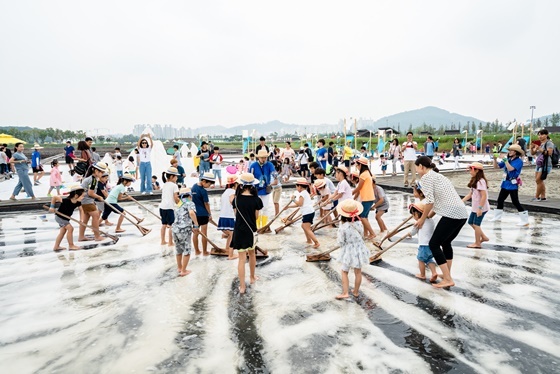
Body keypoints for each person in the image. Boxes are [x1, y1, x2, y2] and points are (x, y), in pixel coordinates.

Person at [414, 156, 468, 289]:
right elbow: (439, 200)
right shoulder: (438, 176)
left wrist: (422, 218)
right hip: (461, 213)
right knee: (445, 242)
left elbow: (430, 201)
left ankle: (448, 279)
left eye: (416, 168)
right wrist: (429, 216)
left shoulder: (426, 178)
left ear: (421, 166)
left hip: (452, 214)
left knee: (434, 244)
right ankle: (446, 273)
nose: (417, 170)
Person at [231, 173, 264, 294]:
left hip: (239, 231)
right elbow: (256, 217)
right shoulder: (257, 200)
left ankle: (242, 287)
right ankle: (252, 277)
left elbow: (236, 215)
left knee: (241, 259)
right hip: (251, 230)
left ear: (241, 185)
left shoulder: (236, 199)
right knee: (252, 254)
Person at [335, 199, 370, 299]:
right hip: (359, 249)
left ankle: (345, 293)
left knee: (344, 271)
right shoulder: (359, 223)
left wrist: (343, 244)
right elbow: (362, 234)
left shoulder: (343, 227)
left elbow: (341, 240)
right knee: (358, 272)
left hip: (349, 250)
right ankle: (355, 291)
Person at [490, 144, 528, 226]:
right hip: (505, 183)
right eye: (509, 150)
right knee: (500, 200)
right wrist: (495, 159)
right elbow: (496, 167)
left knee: (515, 202)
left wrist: (505, 160)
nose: (509, 152)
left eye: (511, 150)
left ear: (516, 152)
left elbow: (511, 169)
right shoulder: (508, 159)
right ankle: (497, 217)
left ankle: (525, 220)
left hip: (512, 184)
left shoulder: (519, 161)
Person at [408, 202, 438, 283]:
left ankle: (422, 274)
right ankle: (434, 273)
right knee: (429, 259)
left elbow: (413, 232)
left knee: (420, 259)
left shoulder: (418, 222)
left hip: (423, 245)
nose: (413, 217)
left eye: (413, 215)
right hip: (431, 245)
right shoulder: (430, 220)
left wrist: (410, 234)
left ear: (417, 214)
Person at [461, 162, 490, 248]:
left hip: (481, 207)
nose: (470, 172)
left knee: (477, 224)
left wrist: (480, 208)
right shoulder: (475, 181)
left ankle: (477, 243)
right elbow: (470, 194)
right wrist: (461, 201)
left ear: (477, 171)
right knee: (471, 222)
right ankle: (483, 237)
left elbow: (484, 196)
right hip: (475, 207)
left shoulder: (481, 182)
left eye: (471, 170)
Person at [49, 186, 86, 251]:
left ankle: (56, 246)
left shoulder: (78, 202)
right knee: (70, 228)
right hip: (60, 217)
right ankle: (71, 245)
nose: (83, 198)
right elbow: (54, 197)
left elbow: (81, 210)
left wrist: (81, 220)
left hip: (66, 218)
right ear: (76, 195)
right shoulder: (65, 200)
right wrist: (52, 207)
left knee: (63, 232)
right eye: (82, 196)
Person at [78, 162, 108, 242]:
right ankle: (97, 236)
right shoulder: (93, 180)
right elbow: (90, 193)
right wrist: (99, 196)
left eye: (102, 172)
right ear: (95, 170)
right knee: (95, 217)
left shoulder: (91, 178)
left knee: (86, 219)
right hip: (87, 201)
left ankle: (81, 236)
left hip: (85, 201)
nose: (101, 174)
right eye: (100, 172)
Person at [173, 188, 199, 276]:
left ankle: (179, 267)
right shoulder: (190, 203)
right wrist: (196, 225)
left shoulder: (178, 203)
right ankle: (184, 271)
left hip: (175, 229)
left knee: (178, 249)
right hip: (184, 230)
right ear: (190, 196)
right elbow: (191, 213)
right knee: (187, 249)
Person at [288, 178, 320, 248]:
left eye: (296, 186)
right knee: (303, 226)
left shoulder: (302, 194)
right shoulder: (305, 193)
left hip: (308, 213)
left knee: (306, 228)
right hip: (309, 212)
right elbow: (298, 204)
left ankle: (316, 242)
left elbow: (300, 204)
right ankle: (309, 240)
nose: (296, 188)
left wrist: (293, 200)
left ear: (300, 186)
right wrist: (288, 207)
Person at [249, 149, 275, 228]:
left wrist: (276, 179)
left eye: (265, 157)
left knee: (265, 208)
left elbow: (274, 173)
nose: (264, 159)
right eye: (262, 158)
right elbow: (249, 177)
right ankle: (256, 225)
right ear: (258, 158)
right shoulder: (253, 166)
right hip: (255, 190)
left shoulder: (269, 164)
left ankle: (264, 225)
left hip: (266, 190)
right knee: (257, 209)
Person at [352, 157, 376, 240]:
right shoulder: (367, 173)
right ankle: (366, 233)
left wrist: (351, 193)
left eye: (357, 165)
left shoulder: (363, 175)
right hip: (369, 197)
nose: (357, 167)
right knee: (365, 217)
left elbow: (359, 187)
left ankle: (372, 233)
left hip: (367, 198)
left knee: (362, 217)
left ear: (361, 165)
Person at [191, 172, 215, 255]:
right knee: (204, 233)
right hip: (203, 214)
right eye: (209, 184)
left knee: (195, 233)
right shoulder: (203, 191)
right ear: (204, 181)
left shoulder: (193, 187)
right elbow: (206, 204)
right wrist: (209, 214)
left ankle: (197, 251)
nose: (209, 186)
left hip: (194, 214)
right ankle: (204, 251)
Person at [530, 129, 554, 201]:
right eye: (539, 135)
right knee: (539, 181)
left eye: (542, 134)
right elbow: (533, 153)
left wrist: (539, 149)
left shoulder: (549, 143)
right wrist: (532, 148)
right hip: (539, 164)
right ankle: (543, 196)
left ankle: (536, 197)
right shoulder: (540, 144)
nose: (540, 136)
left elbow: (549, 153)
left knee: (538, 180)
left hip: (546, 164)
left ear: (546, 135)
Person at [159, 167, 180, 246]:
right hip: (169, 207)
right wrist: (181, 204)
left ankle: (163, 241)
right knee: (171, 225)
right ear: (172, 177)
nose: (177, 178)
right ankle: (170, 242)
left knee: (164, 224)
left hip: (162, 207)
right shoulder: (174, 186)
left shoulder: (165, 185)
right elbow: (176, 198)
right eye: (176, 176)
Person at [218, 175, 238, 259]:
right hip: (229, 216)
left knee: (230, 234)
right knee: (232, 235)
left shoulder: (225, 192)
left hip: (222, 215)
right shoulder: (232, 192)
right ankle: (230, 254)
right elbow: (232, 201)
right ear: (235, 184)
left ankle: (227, 249)